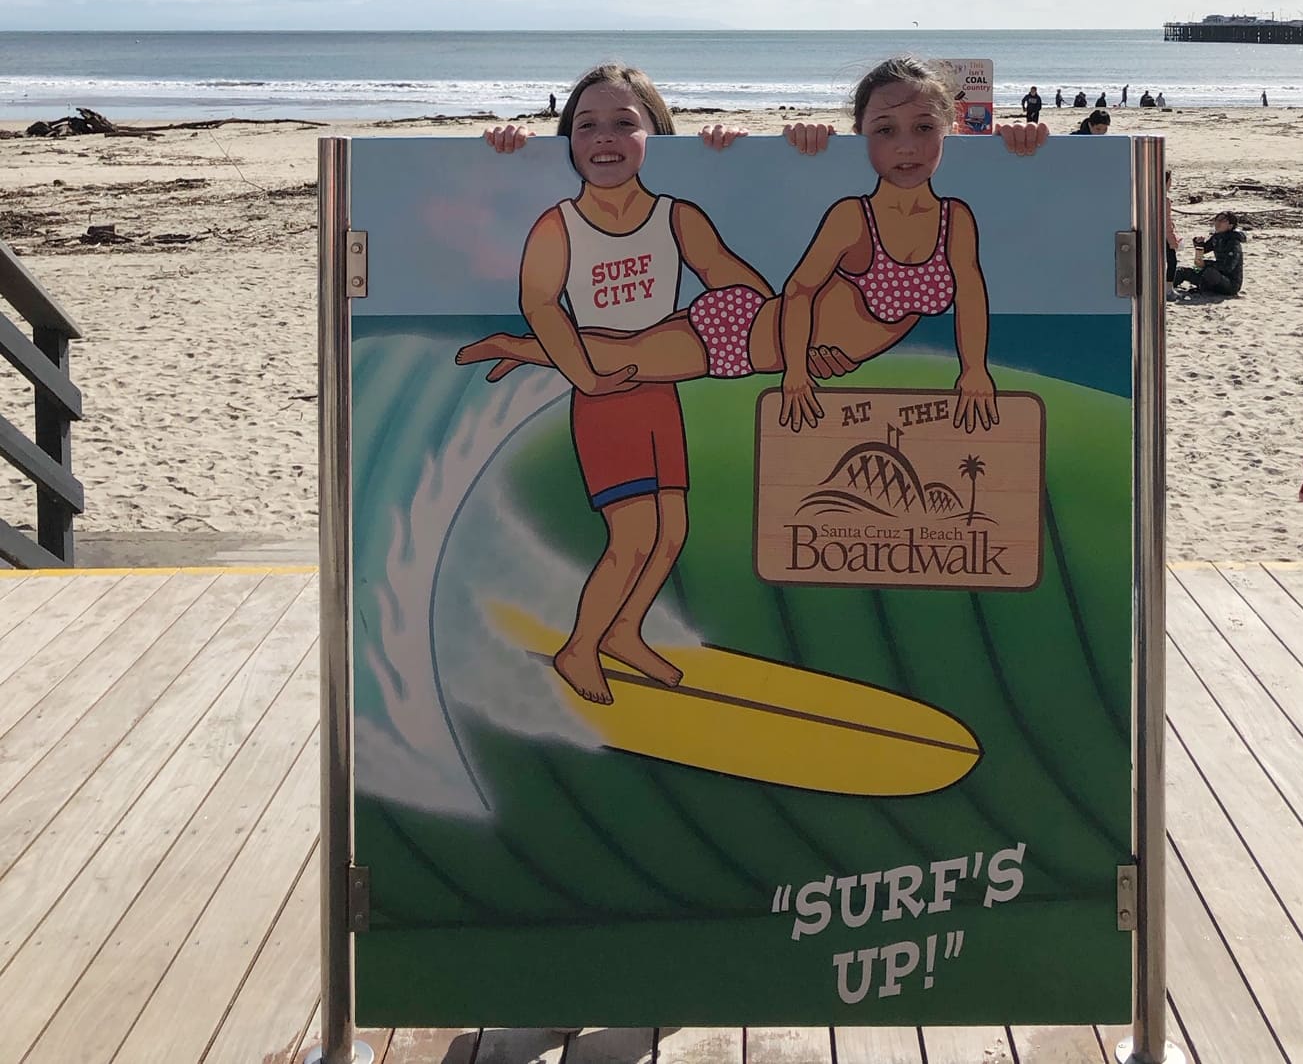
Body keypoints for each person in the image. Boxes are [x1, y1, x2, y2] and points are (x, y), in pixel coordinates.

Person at [459, 55, 1049, 435]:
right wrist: (796, 371)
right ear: (862, 137)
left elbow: (971, 291)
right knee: (622, 357)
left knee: (626, 350)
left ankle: (527, 346)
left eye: (925, 130)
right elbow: (799, 291)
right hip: (745, 339)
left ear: (948, 130)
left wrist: (974, 370)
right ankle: (521, 345)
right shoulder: (854, 217)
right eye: (886, 131)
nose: (907, 146)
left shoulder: (956, 217)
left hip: (755, 317)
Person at [462, 65, 783, 704]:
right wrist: (585, 375)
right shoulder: (559, 224)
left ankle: (625, 633)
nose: (605, 138)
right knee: (632, 534)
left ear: (655, 136)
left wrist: (764, 319)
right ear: (568, 141)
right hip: (604, 401)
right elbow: (542, 304)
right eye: (587, 126)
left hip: (658, 390)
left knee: (670, 530)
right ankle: (580, 647)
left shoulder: (676, 216)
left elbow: (728, 273)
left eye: (624, 123)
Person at [1173, 211, 1245, 297]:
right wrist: (1198, 243)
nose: (1217, 223)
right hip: (1213, 276)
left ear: (1230, 225)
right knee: (1181, 271)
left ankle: (1202, 288)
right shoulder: (1217, 237)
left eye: (1222, 221)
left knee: (1209, 272)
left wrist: (1206, 263)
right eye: (1216, 220)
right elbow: (1205, 249)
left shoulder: (1233, 242)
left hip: (1229, 283)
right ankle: (1167, 288)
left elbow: (1227, 267)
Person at [1163, 169, 1181, 302]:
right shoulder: (1165, 201)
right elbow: (1167, 224)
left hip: (1151, 235)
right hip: (1163, 237)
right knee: (1172, 261)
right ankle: (1168, 289)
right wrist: (1172, 241)